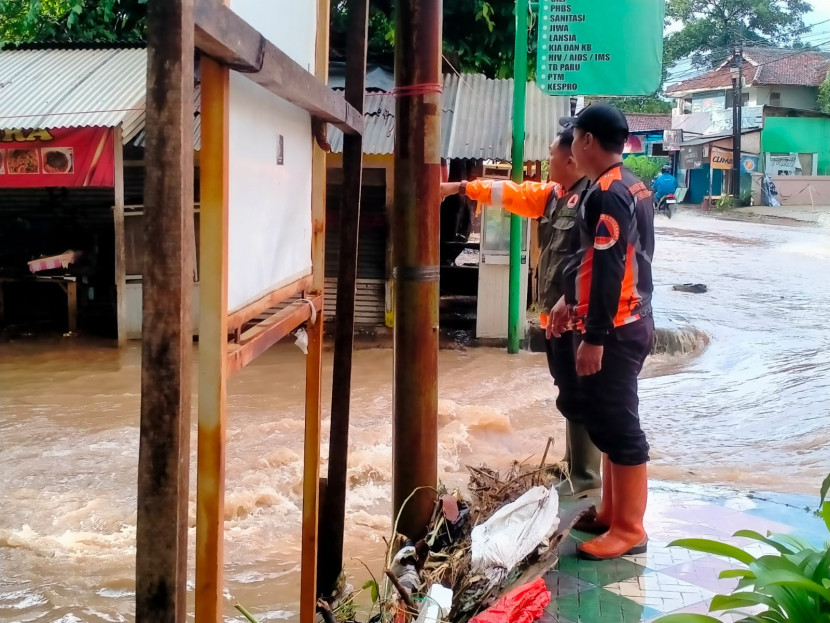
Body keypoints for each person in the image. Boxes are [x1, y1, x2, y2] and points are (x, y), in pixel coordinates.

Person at [440, 128, 602, 498]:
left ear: (571, 160)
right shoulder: (553, 196)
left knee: (583, 395)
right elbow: (507, 193)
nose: (546, 162)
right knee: (569, 394)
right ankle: (576, 469)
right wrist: (458, 188)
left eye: (551, 156)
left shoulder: (594, 199)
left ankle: (588, 479)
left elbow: (600, 262)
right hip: (555, 320)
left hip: (579, 319)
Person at [549, 103, 655, 560]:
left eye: (574, 137)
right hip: (626, 319)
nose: (570, 146)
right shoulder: (624, 185)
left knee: (621, 427)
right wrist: (568, 298)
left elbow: (612, 269)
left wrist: (593, 337)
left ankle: (630, 528)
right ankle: (613, 512)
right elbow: (597, 258)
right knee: (608, 425)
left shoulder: (610, 192)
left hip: (615, 328)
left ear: (588, 141)